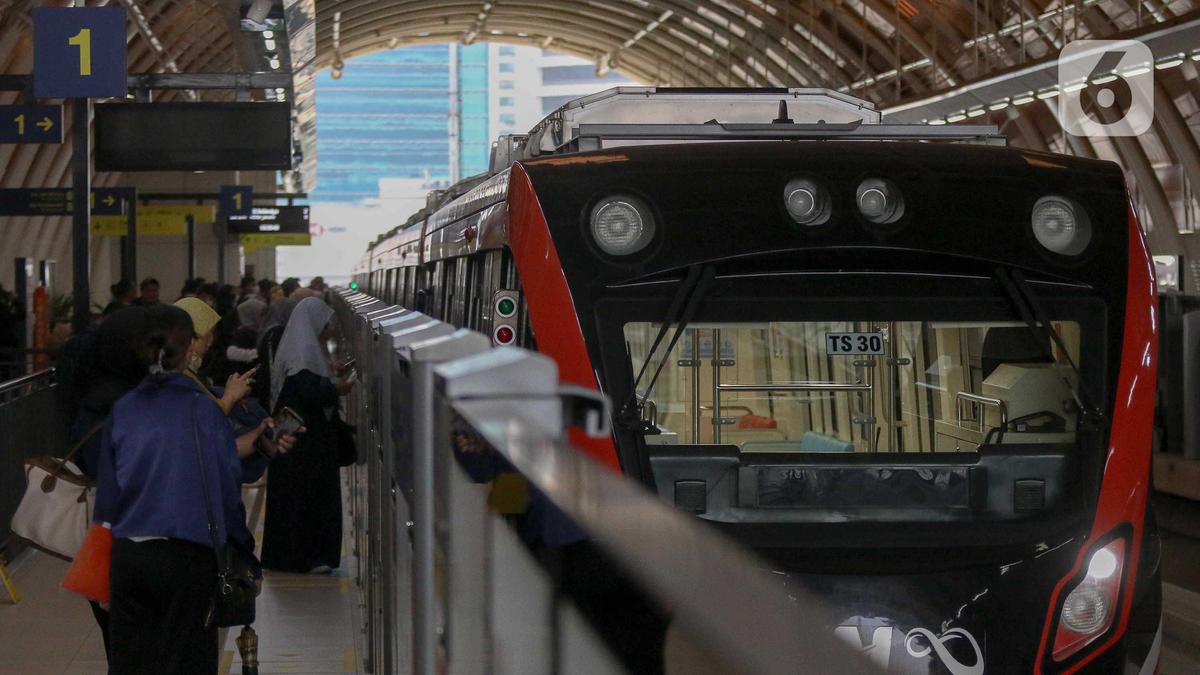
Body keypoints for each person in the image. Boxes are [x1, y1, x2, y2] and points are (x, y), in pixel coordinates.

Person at [94, 304, 260, 675]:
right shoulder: (202, 410)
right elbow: (225, 491)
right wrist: (244, 555)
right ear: (187, 351)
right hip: (186, 559)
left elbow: (106, 499)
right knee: (186, 658)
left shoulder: (125, 407)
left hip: (129, 559)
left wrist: (105, 566)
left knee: (131, 661)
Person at [261, 297, 352, 573]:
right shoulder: (302, 353)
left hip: (300, 441)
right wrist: (339, 388)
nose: (327, 330)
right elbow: (310, 392)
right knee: (305, 498)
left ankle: (300, 556)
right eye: (323, 324)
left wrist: (333, 378)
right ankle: (308, 557)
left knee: (298, 498)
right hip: (301, 444)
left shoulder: (302, 350)